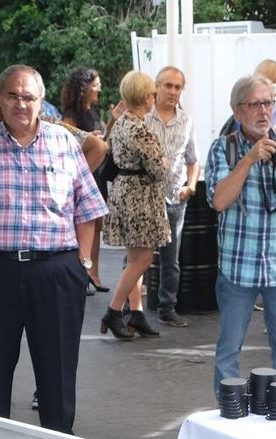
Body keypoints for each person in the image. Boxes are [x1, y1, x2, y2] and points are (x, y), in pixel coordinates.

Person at [0, 65, 106, 434]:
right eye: (12, 96)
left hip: (55, 274)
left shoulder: (63, 142)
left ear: (40, 100)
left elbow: (88, 208)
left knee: (58, 379)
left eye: (29, 96)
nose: (21, 103)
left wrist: (82, 263)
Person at [207, 75, 276, 392]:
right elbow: (219, 200)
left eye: (268, 103)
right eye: (254, 104)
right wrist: (250, 159)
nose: (263, 111)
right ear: (238, 111)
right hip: (238, 266)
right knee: (229, 348)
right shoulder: (223, 148)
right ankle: (227, 416)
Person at [102, 70, 170, 341]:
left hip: (127, 192)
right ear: (145, 97)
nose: (155, 97)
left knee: (134, 259)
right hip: (140, 197)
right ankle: (114, 311)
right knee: (143, 259)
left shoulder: (121, 122)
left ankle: (136, 312)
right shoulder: (139, 127)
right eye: (153, 93)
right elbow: (157, 168)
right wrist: (164, 161)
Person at [146, 66, 201, 329]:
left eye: (178, 87)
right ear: (156, 87)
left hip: (175, 197)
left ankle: (166, 307)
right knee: (137, 257)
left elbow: (193, 160)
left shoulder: (186, 120)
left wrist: (190, 186)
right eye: (168, 85)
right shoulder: (143, 118)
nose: (173, 91)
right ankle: (126, 307)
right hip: (144, 196)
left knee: (171, 259)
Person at [59, 68, 110, 286]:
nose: (98, 88)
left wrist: (112, 122)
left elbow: (101, 142)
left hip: (95, 174)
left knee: (95, 223)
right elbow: (68, 140)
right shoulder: (72, 114)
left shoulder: (92, 112)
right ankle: (81, 270)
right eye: (95, 84)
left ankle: (93, 272)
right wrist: (92, 139)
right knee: (81, 224)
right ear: (84, 88)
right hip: (82, 173)